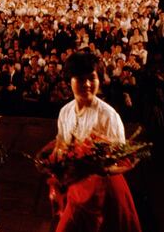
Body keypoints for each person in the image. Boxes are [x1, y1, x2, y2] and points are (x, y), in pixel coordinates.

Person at [54, 51, 141, 232]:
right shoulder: (65, 112)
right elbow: (61, 146)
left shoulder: (108, 115)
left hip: (104, 192)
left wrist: (100, 168)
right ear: (70, 80)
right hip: (77, 188)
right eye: (80, 78)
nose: (86, 84)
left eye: (91, 78)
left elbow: (123, 158)